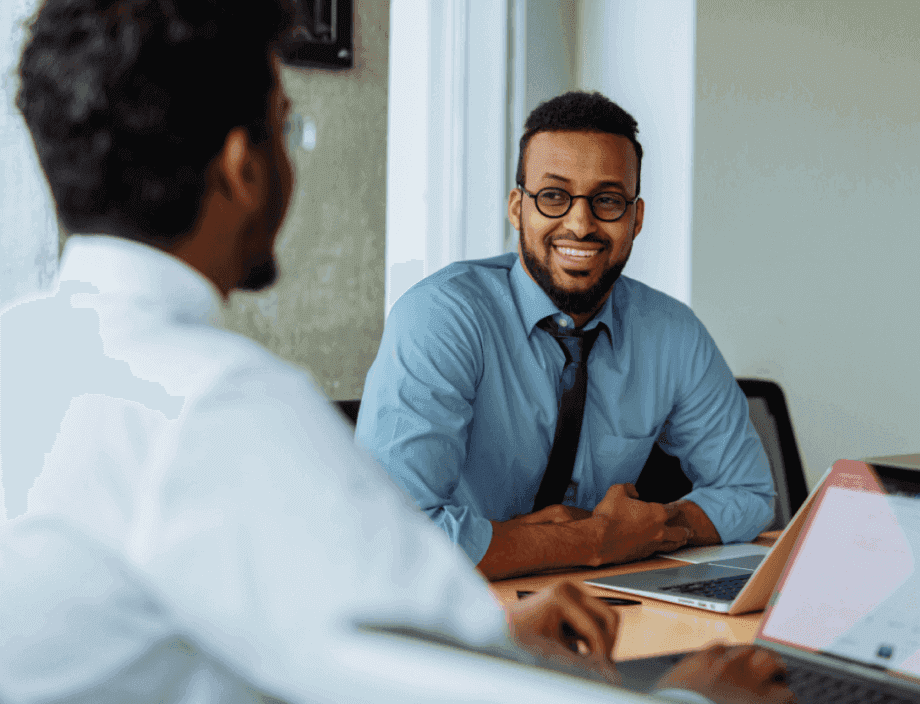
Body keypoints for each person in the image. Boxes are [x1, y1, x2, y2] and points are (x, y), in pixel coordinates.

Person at [0, 2, 792, 703]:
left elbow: (318, 631)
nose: (582, 221)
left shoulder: (23, 350)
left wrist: (490, 640)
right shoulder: (215, 399)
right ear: (244, 168)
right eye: (289, 125)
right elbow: (403, 672)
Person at [356, 92, 776, 581]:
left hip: (609, 607)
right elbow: (391, 537)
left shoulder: (673, 333)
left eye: (608, 201)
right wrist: (588, 541)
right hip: (463, 611)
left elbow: (749, 493)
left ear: (635, 219)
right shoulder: (442, 318)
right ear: (518, 208)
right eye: (553, 196)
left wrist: (658, 527)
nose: (580, 224)